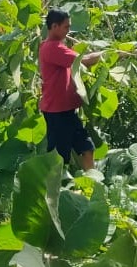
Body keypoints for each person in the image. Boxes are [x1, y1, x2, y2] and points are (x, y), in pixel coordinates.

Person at [39, 9, 103, 170]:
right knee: (59, 158)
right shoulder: (51, 48)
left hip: (67, 110)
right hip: (56, 111)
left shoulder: (58, 46)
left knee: (87, 148)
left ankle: (92, 187)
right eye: (66, 27)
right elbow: (84, 61)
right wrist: (108, 54)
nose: (68, 31)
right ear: (54, 26)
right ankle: (54, 192)